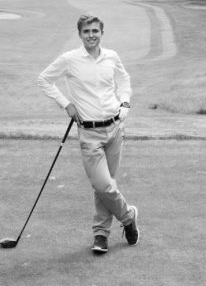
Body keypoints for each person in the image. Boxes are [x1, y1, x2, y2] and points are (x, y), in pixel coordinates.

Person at [38, 13, 139, 254]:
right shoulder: (70, 59)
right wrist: (65, 103)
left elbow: (124, 81)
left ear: (101, 32)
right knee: (104, 186)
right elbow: (44, 80)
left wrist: (125, 102)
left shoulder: (111, 57)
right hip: (89, 132)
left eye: (95, 31)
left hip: (115, 128)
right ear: (80, 34)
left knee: (105, 186)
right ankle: (128, 217)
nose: (91, 35)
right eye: (86, 31)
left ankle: (101, 235)